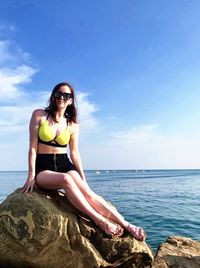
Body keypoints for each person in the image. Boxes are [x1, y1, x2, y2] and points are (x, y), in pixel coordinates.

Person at [22, 82, 146, 241]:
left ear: (71, 100)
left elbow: (74, 153)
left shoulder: (73, 125)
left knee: (88, 193)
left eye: (66, 96)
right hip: (43, 167)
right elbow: (32, 148)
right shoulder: (39, 115)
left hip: (64, 163)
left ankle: (127, 224)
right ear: (53, 96)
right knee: (66, 180)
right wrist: (31, 175)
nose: (61, 97)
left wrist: (83, 178)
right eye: (58, 94)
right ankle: (99, 220)